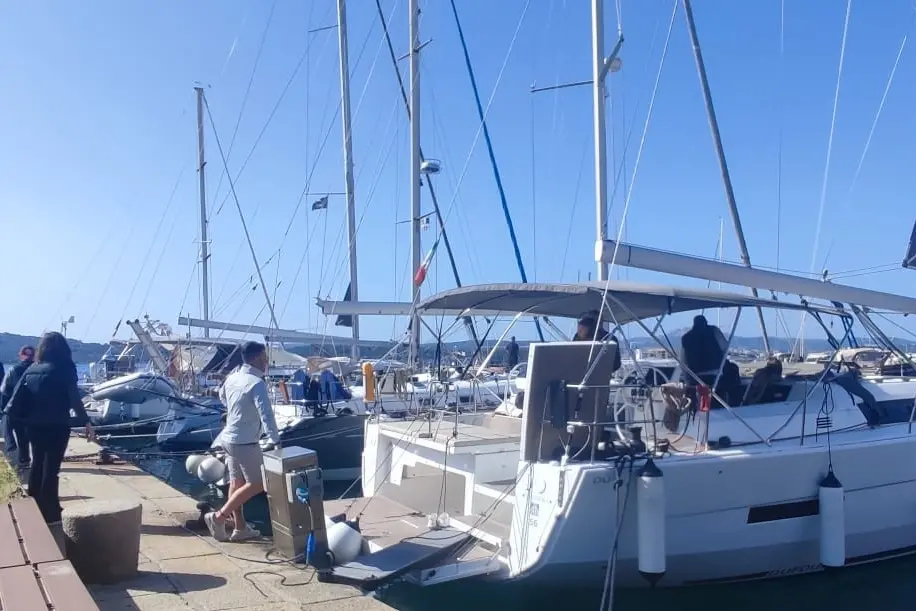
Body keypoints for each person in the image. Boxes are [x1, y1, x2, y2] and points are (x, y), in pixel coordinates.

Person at [7, 333, 93, 524]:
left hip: (33, 426)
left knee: (37, 463)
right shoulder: (66, 368)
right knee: (51, 468)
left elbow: (17, 396)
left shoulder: (32, 368)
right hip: (57, 425)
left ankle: (34, 505)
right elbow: (74, 398)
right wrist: (86, 421)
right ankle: (50, 511)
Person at [205, 341, 281, 542]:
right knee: (258, 483)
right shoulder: (257, 383)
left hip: (228, 438)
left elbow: (223, 398)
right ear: (256, 358)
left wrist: (239, 411)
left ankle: (240, 528)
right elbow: (266, 415)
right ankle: (219, 517)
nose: (266, 361)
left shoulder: (233, 377)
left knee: (236, 483)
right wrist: (275, 440)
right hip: (245, 441)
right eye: (264, 357)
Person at [1, 345, 36, 467]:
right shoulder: (39, 371)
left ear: (20, 355)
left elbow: (5, 391)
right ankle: (25, 459)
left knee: (8, 426)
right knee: (23, 435)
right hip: (33, 409)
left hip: (16, 407)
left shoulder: (13, 370)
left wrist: (3, 409)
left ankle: (12, 449)